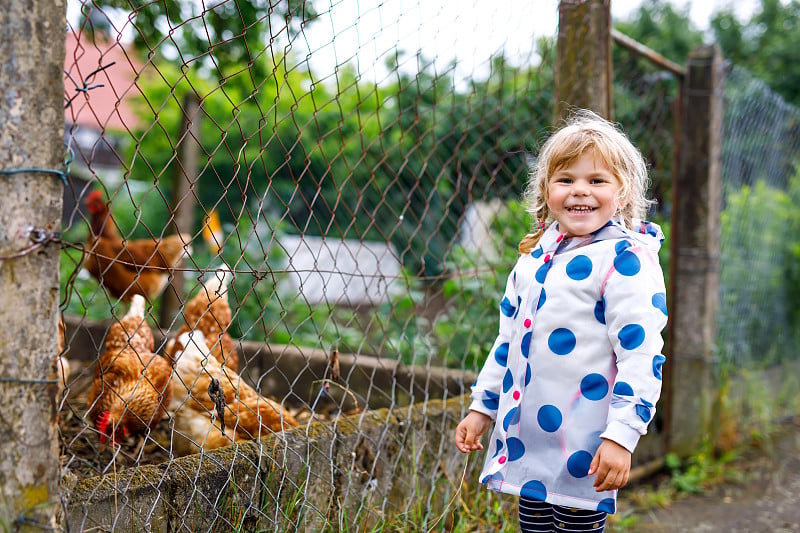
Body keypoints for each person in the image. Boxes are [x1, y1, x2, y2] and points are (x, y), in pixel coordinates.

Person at [454, 109, 668, 533]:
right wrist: (484, 406)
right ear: (546, 191)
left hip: (587, 442)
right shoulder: (535, 258)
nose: (579, 191)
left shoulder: (626, 260)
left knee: (574, 524)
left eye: (597, 180)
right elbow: (509, 341)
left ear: (623, 193)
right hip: (530, 440)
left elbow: (641, 355)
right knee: (533, 522)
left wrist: (621, 436)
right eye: (566, 179)